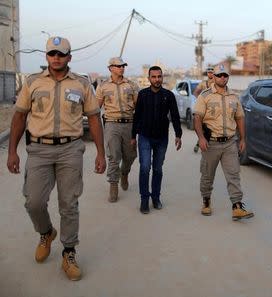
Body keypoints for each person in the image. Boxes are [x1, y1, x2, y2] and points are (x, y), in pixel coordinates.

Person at [6, 36, 106, 281]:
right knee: (34, 202)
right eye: (52, 54)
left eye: (61, 54)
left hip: (70, 150)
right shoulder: (33, 82)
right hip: (39, 150)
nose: (57, 58)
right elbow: (19, 117)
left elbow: (94, 118)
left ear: (69, 57)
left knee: (68, 204)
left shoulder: (82, 84)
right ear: (46, 56)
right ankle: (46, 232)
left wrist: (101, 154)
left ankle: (69, 252)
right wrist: (12, 151)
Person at [193, 64, 254, 220]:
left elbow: (240, 118)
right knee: (207, 175)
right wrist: (200, 138)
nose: (222, 78)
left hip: (229, 143)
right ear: (214, 77)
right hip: (211, 143)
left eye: (225, 75)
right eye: (219, 75)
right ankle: (206, 201)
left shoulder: (234, 97)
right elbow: (197, 118)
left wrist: (242, 139)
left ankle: (237, 206)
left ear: (228, 77)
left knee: (233, 175)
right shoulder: (205, 96)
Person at [131, 65, 182, 214]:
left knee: (158, 169)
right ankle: (144, 200)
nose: (157, 79)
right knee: (145, 167)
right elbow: (137, 116)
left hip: (161, 139)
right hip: (145, 137)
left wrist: (178, 135)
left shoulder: (168, 95)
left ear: (162, 78)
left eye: (159, 76)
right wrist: (133, 136)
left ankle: (156, 198)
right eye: (153, 77)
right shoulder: (143, 95)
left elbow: (175, 116)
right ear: (149, 79)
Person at [96, 57, 139, 202]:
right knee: (113, 157)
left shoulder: (132, 85)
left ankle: (124, 173)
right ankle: (113, 185)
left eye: (123, 66)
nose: (122, 68)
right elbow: (97, 108)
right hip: (111, 124)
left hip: (129, 124)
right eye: (118, 66)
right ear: (111, 68)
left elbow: (138, 106)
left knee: (130, 155)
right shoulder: (103, 86)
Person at [192, 66, 215, 153]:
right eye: (209, 72)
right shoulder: (203, 83)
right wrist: (201, 100)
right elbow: (195, 92)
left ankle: (200, 144)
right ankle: (200, 143)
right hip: (204, 108)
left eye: (212, 72)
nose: (210, 74)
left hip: (214, 108)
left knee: (211, 126)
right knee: (203, 127)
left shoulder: (217, 82)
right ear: (207, 73)